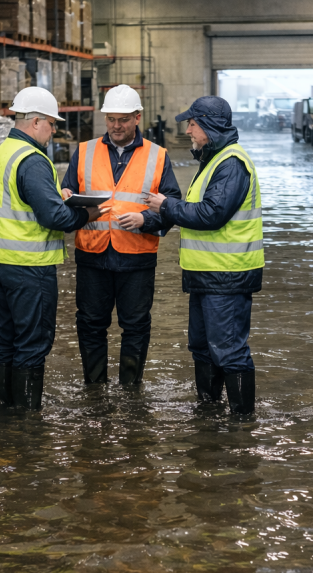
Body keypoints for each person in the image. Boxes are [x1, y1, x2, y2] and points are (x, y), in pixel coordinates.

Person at [0, 87, 109, 410]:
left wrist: (56, 197)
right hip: (28, 266)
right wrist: (86, 213)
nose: (54, 131)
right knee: (33, 342)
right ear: (36, 122)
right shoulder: (32, 160)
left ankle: (4, 409)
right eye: (51, 124)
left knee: (6, 339)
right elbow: (54, 217)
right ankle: (26, 419)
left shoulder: (1, 154)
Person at [144, 96, 263, 415]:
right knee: (202, 348)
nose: (189, 132)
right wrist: (151, 219)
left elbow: (212, 214)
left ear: (210, 126)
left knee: (229, 352)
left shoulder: (231, 163)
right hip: (205, 276)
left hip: (227, 277)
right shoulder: (213, 160)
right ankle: (209, 415)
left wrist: (164, 205)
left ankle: (241, 425)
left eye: (192, 125)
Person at [61, 84, 182, 385]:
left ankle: (131, 388)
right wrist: (64, 195)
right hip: (92, 255)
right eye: (111, 119)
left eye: (123, 119)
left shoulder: (158, 156)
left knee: (136, 326)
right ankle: (95, 386)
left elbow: (172, 207)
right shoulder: (84, 151)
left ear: (137, 117)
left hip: (137, 259)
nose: (116, 126)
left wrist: (145, 219)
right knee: (90, 325)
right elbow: (66, 193)